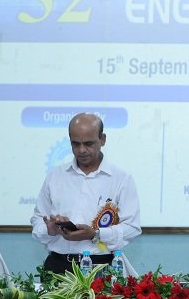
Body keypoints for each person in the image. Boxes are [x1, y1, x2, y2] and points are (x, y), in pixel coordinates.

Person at [31, 113, 142, 273]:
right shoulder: (55, 176)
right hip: (58, 266)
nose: (81, 150)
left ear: (102, 139)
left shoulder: (121, 179)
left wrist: (95, 234)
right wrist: (50, 229)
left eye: (88, 144)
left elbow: (132, 228)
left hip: (102, 268)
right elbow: (37, 223)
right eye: (75, 144)